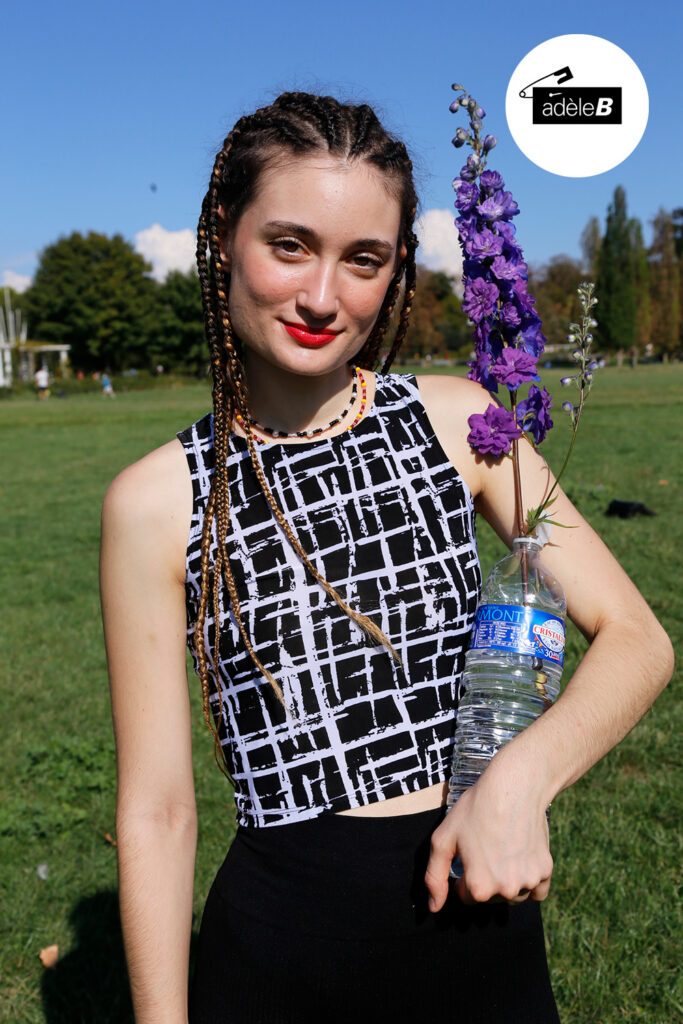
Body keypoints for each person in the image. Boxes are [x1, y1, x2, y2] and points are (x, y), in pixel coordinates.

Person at [100, 92, 673, 1024]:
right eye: (288, 244)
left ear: (398, 266)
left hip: (482, 936)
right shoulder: (152, 502)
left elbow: (636, 639)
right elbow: (158, 813)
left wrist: (520, 783)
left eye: (361, 258)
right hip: (281, 957)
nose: (323, 296)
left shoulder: (461, 424)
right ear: (220, 237)